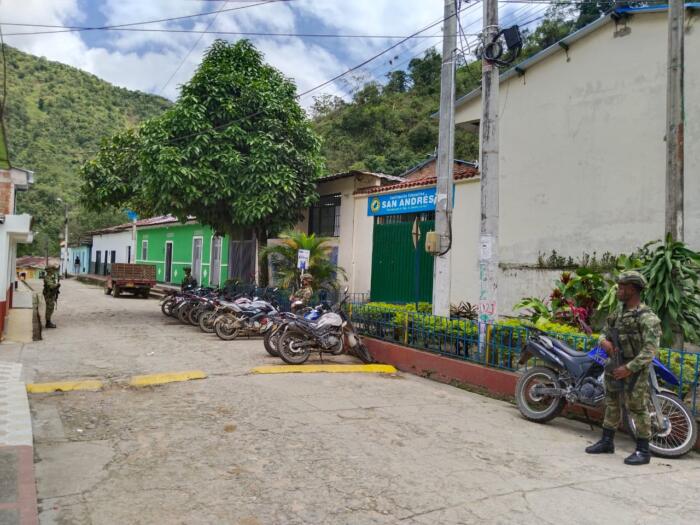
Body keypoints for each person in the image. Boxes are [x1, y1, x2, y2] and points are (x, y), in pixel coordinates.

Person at [585, 270, 661, 465]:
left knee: (638, 408)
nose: (618, 290)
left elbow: (650, 350)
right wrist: (604, 343)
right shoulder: (617, 313)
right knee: (611, 403)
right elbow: (602, 332)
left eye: (622, 287)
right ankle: (607, 441)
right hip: (614, 364)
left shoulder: (647, 318)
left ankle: (643, 451)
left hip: (634, 370)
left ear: (633, 289)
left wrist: (629, 368)